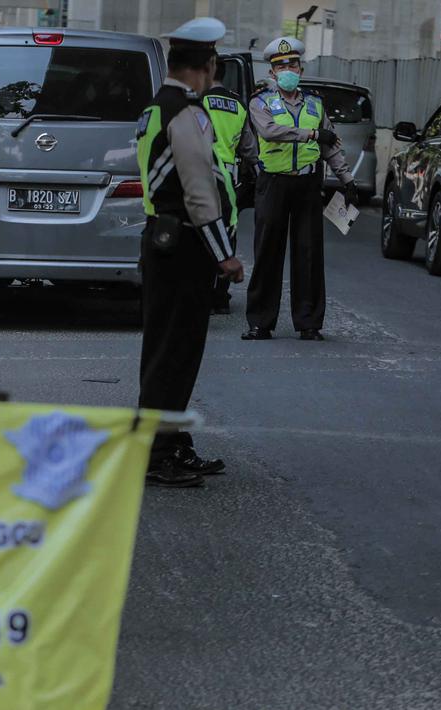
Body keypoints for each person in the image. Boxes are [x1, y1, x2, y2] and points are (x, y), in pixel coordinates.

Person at [136, 17, 245, 488]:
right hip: (183, 247)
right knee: (175, 355)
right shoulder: (185, 113)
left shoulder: (154, 109)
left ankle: (174, 445)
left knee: (166, 351)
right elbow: (200, 192)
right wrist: (225, 254)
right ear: (207, 65)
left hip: (162, 241)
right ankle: (157, 454)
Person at [242, 37, 359, 342]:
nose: (287, 70)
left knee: (308, 252)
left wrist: (346, 179)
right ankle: (260, 322)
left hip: (308, 183)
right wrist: (311, 133)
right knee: (267, 251)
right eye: (281, 66)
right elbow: (271, 132)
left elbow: (330, 143)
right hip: (273, 183)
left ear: (301, 68)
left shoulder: (315, 103)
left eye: (292, 64)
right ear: (271, 72)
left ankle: (309, 323)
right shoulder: (260, 102)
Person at [202, 61, 257, 315]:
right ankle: (220, 297)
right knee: (226, 231)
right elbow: (249, 150)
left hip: (201, 172)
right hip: (230, 178)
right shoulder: (238, 105)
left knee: (202, 233)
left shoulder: (197, 101)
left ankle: (200, 292)